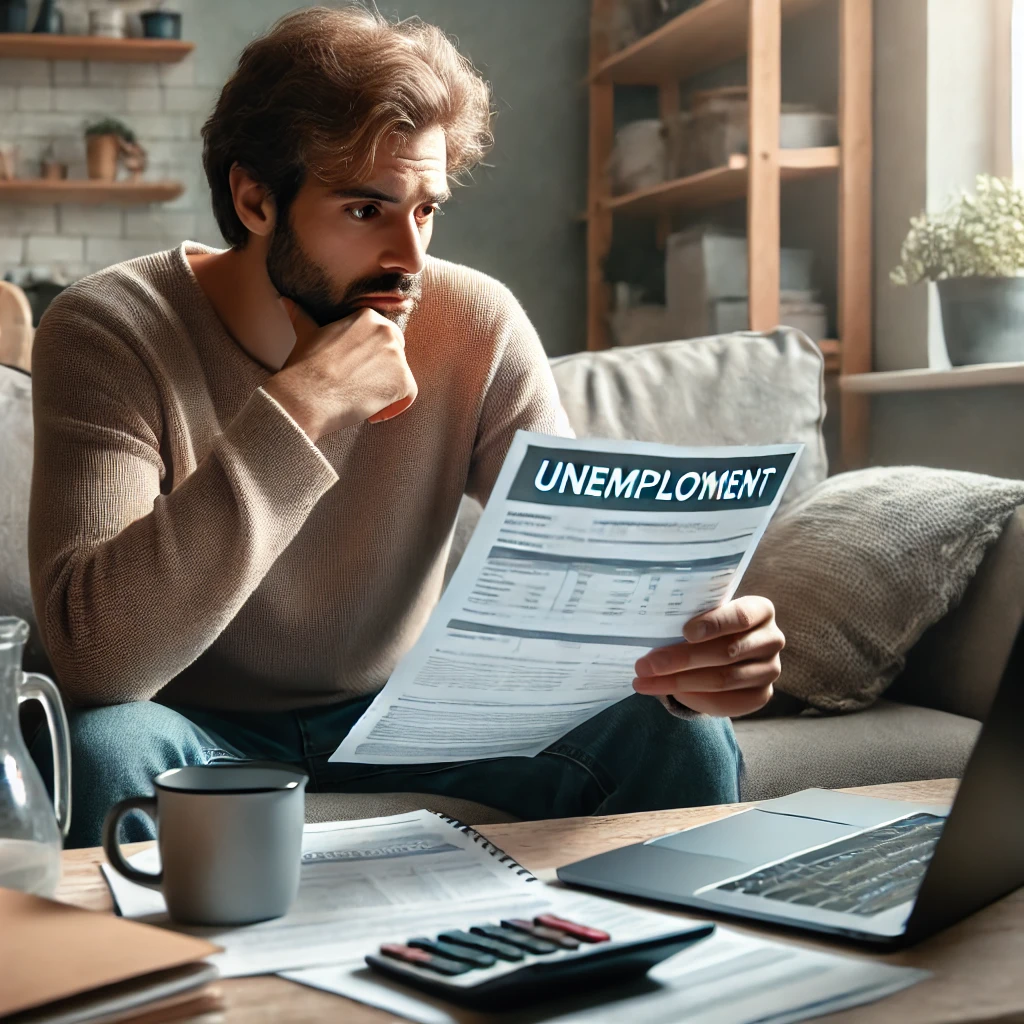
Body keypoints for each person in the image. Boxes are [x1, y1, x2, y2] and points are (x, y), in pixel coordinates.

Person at [28, 5, 784, 849]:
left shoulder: (474, 323)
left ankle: (670, 971)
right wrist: (302, 408)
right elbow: (99, 665)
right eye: (366, 210)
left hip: (409, 716)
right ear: (254, 199)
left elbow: (586, 563)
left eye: (425, 209)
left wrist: (697, 660)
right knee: (103, 750)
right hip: (193, 725)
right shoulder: (110, 329)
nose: (410, 257)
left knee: (676, 731)